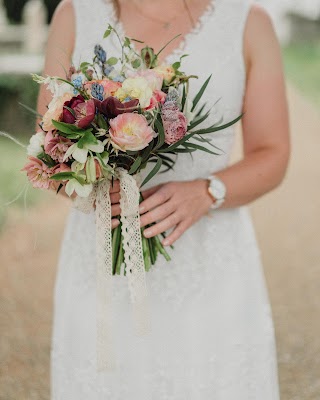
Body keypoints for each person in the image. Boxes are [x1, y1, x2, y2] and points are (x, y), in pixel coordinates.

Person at [38, 0, 290, 398]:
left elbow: (273, 153)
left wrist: (209, 190)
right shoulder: (75, 14)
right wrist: (92, 185)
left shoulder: (248, 22)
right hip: (103, 260)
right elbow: (49, 150)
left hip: (208, 269)